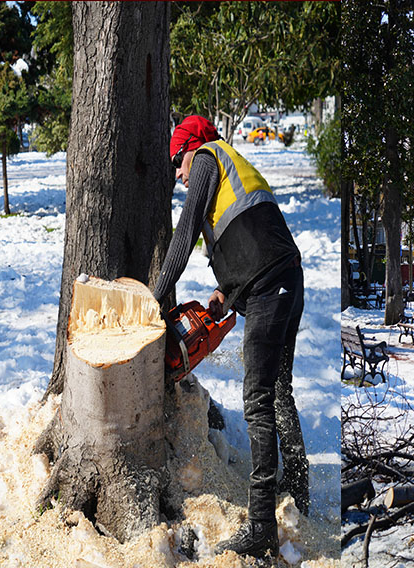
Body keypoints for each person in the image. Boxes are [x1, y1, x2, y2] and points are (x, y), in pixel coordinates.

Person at [154, 115, 307, 558]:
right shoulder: (232, 163)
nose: (179, 175)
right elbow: (250, 232)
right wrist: (225, 292)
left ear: (189, 147)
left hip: (267, 287)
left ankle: (260, 526)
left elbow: (184, 233)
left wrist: (155, 296)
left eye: (176, 164)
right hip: (282, 279)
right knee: (279, 390)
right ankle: (297, 490)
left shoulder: (205, 157)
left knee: (258, 397)